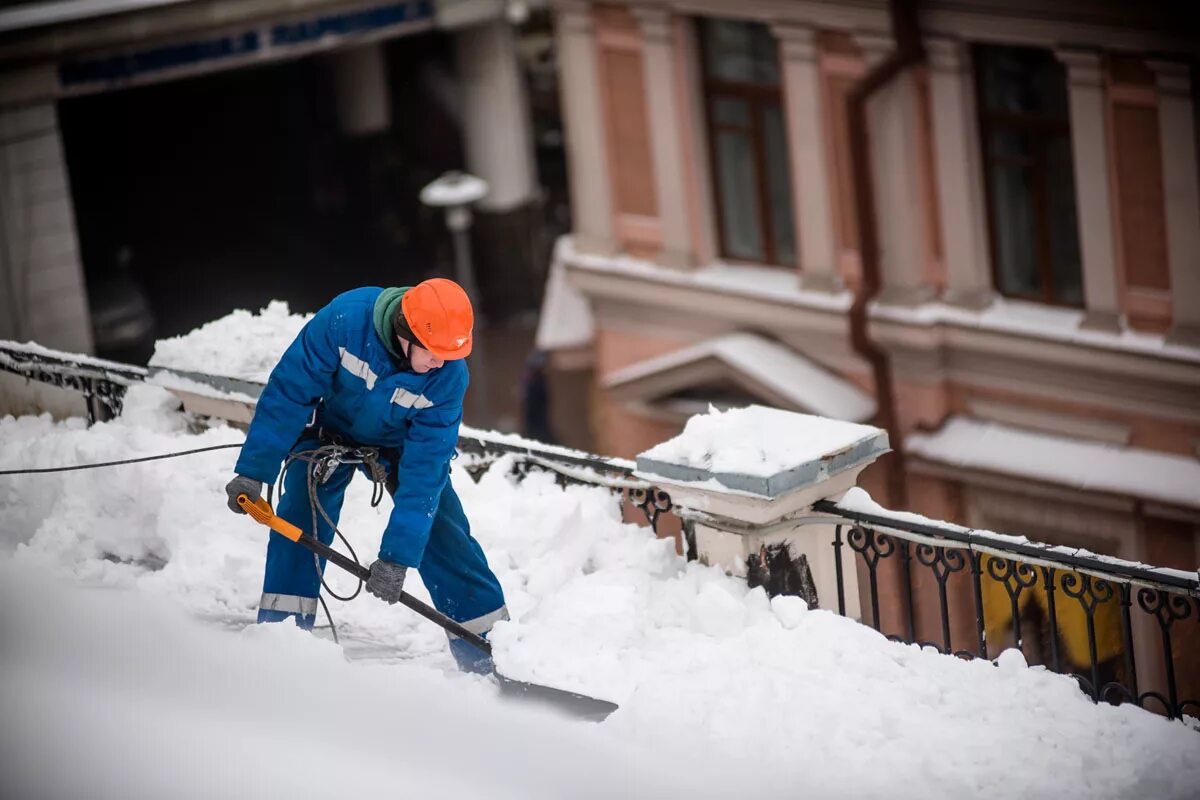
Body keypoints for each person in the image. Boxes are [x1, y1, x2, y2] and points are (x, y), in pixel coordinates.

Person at [224, 279, 506, 673]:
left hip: (401, 446)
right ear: (405, 333)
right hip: (329, 432)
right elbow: (289, 393)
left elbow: (426, 471)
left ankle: (492, 652)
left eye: (450, 354)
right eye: (434, 352)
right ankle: (281, 640)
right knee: (299, 514)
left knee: (444, 531)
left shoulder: (448, 376)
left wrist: (396, 558)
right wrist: (254, 471)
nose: (441, 362)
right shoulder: (344, 321)